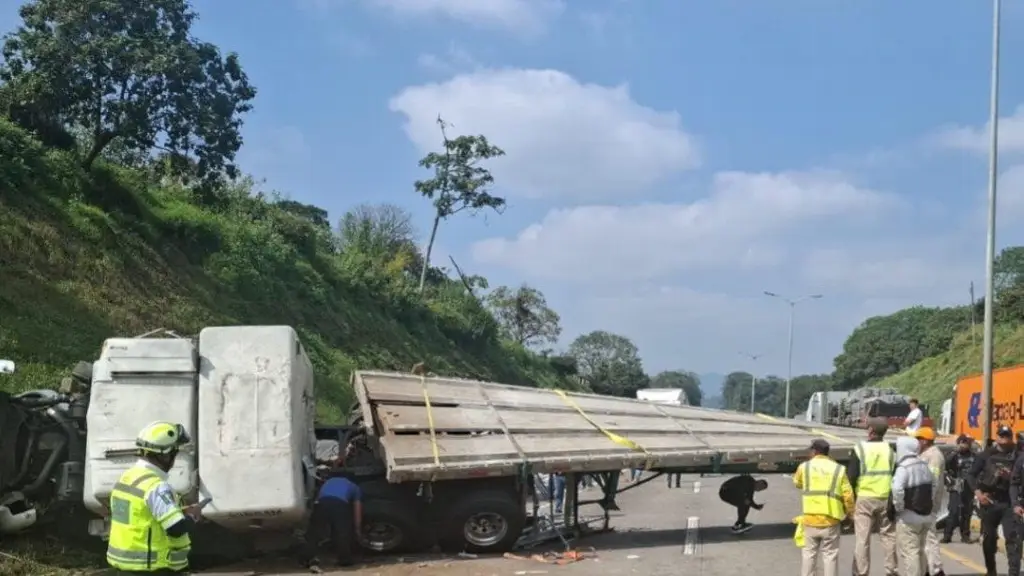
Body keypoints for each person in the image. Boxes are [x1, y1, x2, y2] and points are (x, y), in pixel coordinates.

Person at [106, 421, 200, 575]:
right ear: (166, 456)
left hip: (125, 568)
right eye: (174, 454)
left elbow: (141, 515)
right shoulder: (155, 486)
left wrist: (178, 511)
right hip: (152, 569)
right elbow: (176, 528)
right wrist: (192, 516)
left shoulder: (127, 478)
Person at [793, 439, 855, 576]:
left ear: (814, 451)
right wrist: (850, 514)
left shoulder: (804, 467)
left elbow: (797, 482)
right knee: (830, 556)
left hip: (810, 519)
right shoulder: (839, 469)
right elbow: (848, 495)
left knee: (809, 554)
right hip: (831, 520)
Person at [970, 424, 1022, 576]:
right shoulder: (985, 455)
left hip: (1009, 502)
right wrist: (978, 494)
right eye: (1001, 436)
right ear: (997, 437)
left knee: (1013, 539)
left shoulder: (1018, 455)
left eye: (1007, 436)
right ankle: (991, 570)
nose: (1004, 439)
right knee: (989, 539)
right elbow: (971, 475)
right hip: (989, 501)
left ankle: (1014, 572)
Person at [848, 417, 898, 576]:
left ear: (871, 430)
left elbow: (851, 476)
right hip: (885, 497)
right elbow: (895, 475)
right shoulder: (890, 450)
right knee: (888, 537)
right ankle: (891, 571)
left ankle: (861, 572)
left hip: (864, 497)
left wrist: (851, 501)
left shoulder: (860, 449)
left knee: (862, 539)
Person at [891, 435, 936, 576]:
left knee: (910, 552)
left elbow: (897, 489)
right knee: (921, 550)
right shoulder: (924, 465)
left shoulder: (903, 467)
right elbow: (934, 486)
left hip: (908, 517)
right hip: (925, 515)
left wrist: (899, 507)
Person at [304, 468, 363, 573]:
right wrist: (357, 528)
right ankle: (345, 560)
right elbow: (357, 509)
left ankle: (306, 559)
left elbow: (317, 498)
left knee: (314, 533)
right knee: (342, 533)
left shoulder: (328, 482)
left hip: (321, 504)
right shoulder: (354, 487)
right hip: (340, 504)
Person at [914, 427, 946, 576]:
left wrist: (926, 502)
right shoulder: (924, 454)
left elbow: (933, 481)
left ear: (925, 441)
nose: (916, 442)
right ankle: (928, 569)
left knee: (930, 537)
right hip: (923, 503)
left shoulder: (934, 456)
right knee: (923, 538)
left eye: (918, 439)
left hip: (928, 504)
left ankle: (937, 570)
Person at [942, 435, 976, 543]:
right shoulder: (954, 455)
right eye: (963, 442)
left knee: (967, 512)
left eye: (967, 442)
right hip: (956, 486)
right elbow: (945, 464)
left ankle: (965, 535)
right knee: (954, 511)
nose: (965, 445)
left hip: (969, 487)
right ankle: (947, 535)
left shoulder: (973, 456)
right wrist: (955, 451)